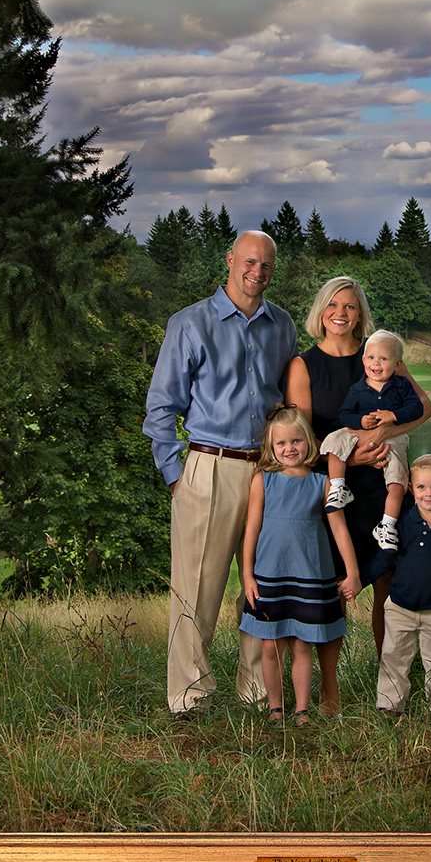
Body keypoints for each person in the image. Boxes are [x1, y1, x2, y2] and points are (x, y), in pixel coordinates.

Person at [142, 231, 298, 717]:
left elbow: (290, 402)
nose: (258, 271)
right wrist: (176, 476)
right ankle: (189, 697)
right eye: (250, 261)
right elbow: (161, 410)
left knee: (266, 584)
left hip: (269, 472)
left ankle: (256, 693)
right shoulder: (190, 323)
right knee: (197, 588)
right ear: (231, 260)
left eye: (267, 265)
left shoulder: (283, 325)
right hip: (210, 468)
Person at [284, 277, 431, 712]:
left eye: (350, 306)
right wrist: (352, 461)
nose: (341, 313)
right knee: (333, 588)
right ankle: (329, 691)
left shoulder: (380, 353)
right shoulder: (303, 366)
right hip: (338, 491)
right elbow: (301, 440)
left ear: (360, 313)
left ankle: (392, 687)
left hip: (386, 489)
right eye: (333, 304)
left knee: (391, 589)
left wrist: (383, 437)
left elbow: (425, 408)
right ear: (321, 310)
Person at [240, 405, 361, 725]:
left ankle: (302, 709)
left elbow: (339, 529)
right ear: (270, 446)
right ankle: (275, 707)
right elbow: (251, 528)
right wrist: (247, 574)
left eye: (296, 441)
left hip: (309, 575)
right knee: (270, 646)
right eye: (281, 443)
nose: (289, 448)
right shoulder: (262, 480)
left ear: (308, 442)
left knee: (302, 644)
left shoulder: (321, 483)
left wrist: (353, 573)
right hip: (270, 575)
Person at [361, 454, 431, 716]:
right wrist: (358, 582)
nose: (429, 494)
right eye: (421, 487)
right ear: (411, 489)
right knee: (394, 659)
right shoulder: (401, 524)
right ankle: (391, 706)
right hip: (400, 607)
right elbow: (385, 559)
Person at [319, 329, 424, 550]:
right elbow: (345, 414)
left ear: (397, 364)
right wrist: (361, 421)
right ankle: (339, 487)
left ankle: (387, 525)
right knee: (334, 440)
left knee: (397, 482)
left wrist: (394, 416)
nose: (376, 364)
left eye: (384, 359)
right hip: (358, 433)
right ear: (364, 360)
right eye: (371, 358)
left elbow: (417, 408)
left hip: (392, 436)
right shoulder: (358, 389)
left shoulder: (401, 386)